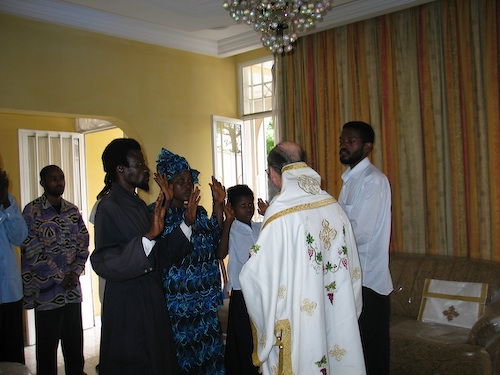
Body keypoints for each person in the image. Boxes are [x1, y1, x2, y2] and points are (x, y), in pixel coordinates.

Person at [239, 141, 366, 375]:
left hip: (299, 323)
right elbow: (353, 271)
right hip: (335, 312)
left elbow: (257, 275)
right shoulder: (333, 206)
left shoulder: (278, 214)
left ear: (275, 174)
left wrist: (251, 261)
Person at [90, 138, 193, 375]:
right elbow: (103, 260)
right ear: (121, 169)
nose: (145, 168)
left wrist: (187, 224)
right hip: (128, 306)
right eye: (139, 163)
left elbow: (158, 254)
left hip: (150, 300)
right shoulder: (109, 207)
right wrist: (147, 238)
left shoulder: (136, 204)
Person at [155, 148, 225, 375]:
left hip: (205, 304)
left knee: (209, 358)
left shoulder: (201, 212)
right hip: (180, 307)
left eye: (189, 180)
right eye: (180, 181)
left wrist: (218, 206)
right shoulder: (158, 214)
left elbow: (217, 245)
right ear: (166, 184)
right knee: (184, 362)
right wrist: (186, 219)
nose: (187, 185)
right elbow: (164, 254)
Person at [21, 165, 89, 375]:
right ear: (42, 183)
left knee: (75, 350)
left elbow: (83, 243)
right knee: (47, 352)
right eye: (53, 179)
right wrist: (60, 277)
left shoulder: (72, 210)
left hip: (71, 292)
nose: (59, 182)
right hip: (47, 293)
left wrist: (74, 272)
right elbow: (32, 249)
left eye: (61, 178)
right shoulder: (32, 211)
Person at [338, 121, 393, 375]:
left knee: (372, 355)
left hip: (369, 281)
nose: (344, 146)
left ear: (367, 146)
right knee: (355, 351)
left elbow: (360, 232)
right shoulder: (349, 181)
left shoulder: (374, 181)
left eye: (351, 142)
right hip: (352, 280)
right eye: (342, 141)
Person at [217, 185, 262, 375]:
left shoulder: (260, 227)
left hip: (259, 290)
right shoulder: (232, 229)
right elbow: (221, 252)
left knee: (258, 334)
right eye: (243, 205)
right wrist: (227, 222)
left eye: (250, 204)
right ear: (232, 208)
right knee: (243, 337)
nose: (249, 209)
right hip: (241, 291)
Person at [0, 168, 28, 364]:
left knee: (13, 356)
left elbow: (19, 237)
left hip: (9, 292)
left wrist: (5, 202)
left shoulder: (8, 200)